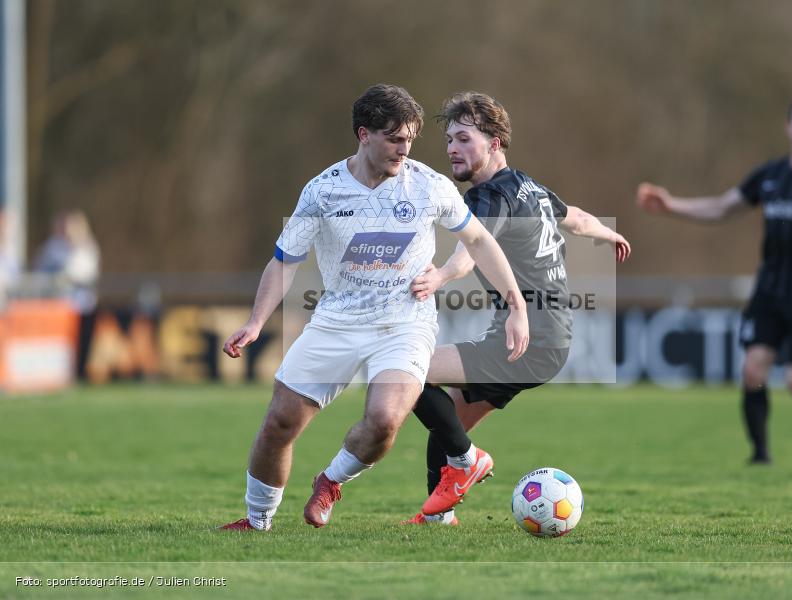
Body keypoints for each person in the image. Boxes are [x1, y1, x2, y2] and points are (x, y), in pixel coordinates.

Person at [218, 84, 529, 531]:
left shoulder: (427, 185)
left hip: (405, 323)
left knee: (384, 420)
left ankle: (330, 482)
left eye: (410, 139)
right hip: (336, 321)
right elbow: (284, 262)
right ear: (363, 135)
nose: (405, 149)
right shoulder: (323, 191)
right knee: (280, 421)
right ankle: (257, 521)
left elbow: (478, 241)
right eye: (394, 138)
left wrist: (516, 304)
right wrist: (255, 322)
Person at [403, 91, 631, 525]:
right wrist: (606, 234)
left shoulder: (488, 197)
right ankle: (437, 518)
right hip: (545, 339)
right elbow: (578, 218)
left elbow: (472, 250)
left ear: (495, 143)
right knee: (448, 420)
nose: (453, 148)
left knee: (410, 367)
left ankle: (467, 462)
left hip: (529, 337)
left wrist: (440, 277)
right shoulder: (529, 186)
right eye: (449, 139)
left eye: (465, 138)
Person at [636, 89, 792, 464]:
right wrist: (672, 206)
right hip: (769, 291)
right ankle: (760, 454)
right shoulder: (771, 176)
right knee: (753, 370)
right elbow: (722, 207)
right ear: (789, 126)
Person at [32, 209, 100, 314]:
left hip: (82, 307)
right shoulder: (53, 246)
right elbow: (40, 271)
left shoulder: (87, 250)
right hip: (56, 305)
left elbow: (83, 276)